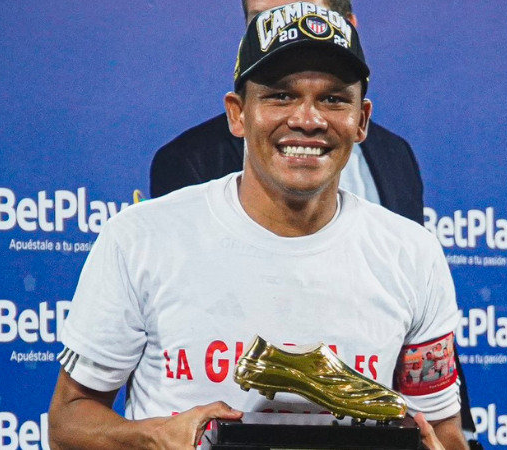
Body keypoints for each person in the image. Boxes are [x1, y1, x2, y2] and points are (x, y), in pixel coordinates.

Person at [48, 3, 467, 450]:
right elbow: (66, 423)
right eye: (280, 95)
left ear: (361, 120)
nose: (308, 119)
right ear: (237, 114)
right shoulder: (141, 238)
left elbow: (443, 430)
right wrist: (151, 439)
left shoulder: (412, 253)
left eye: (333, 98)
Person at [148, 0, 424, 223]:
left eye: (303, 15)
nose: (307, 120)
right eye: (261, 20)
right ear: (237, 113)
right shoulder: (190, 160)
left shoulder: (396, 154)